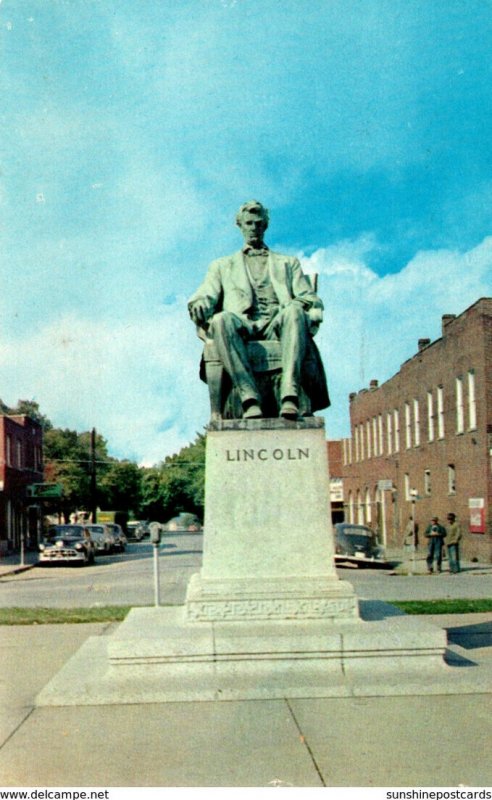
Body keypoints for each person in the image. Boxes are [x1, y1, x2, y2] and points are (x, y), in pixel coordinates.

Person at [188, 200, 329, 420]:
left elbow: (309, 298)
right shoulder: (222, 265)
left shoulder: (287, 263)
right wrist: (200, 304)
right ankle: (249, 398)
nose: (254, 227)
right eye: (249, 223)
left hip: (277, 325)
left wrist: (297, 305)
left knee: (293, 312)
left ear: (265, 226)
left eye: (258, 223)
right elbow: (205, 294)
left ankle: (289, 394)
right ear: (240, 225)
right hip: (242, 326)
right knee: (221, 320)